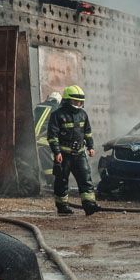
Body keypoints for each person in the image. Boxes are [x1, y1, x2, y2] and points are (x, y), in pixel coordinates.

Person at [47, 85, 99, 215]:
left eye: (81, 101)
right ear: (68, 100)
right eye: (76, 101)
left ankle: (89, 205)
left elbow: (87, 133)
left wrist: (91, 147)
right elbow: (52, 136)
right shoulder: (57, 115)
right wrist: (57, 152)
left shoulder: (83, 114)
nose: (79, 104)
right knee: (62, 181)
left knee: (85, 178)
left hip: (80, 154)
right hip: (64, 155)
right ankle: (62, 206)